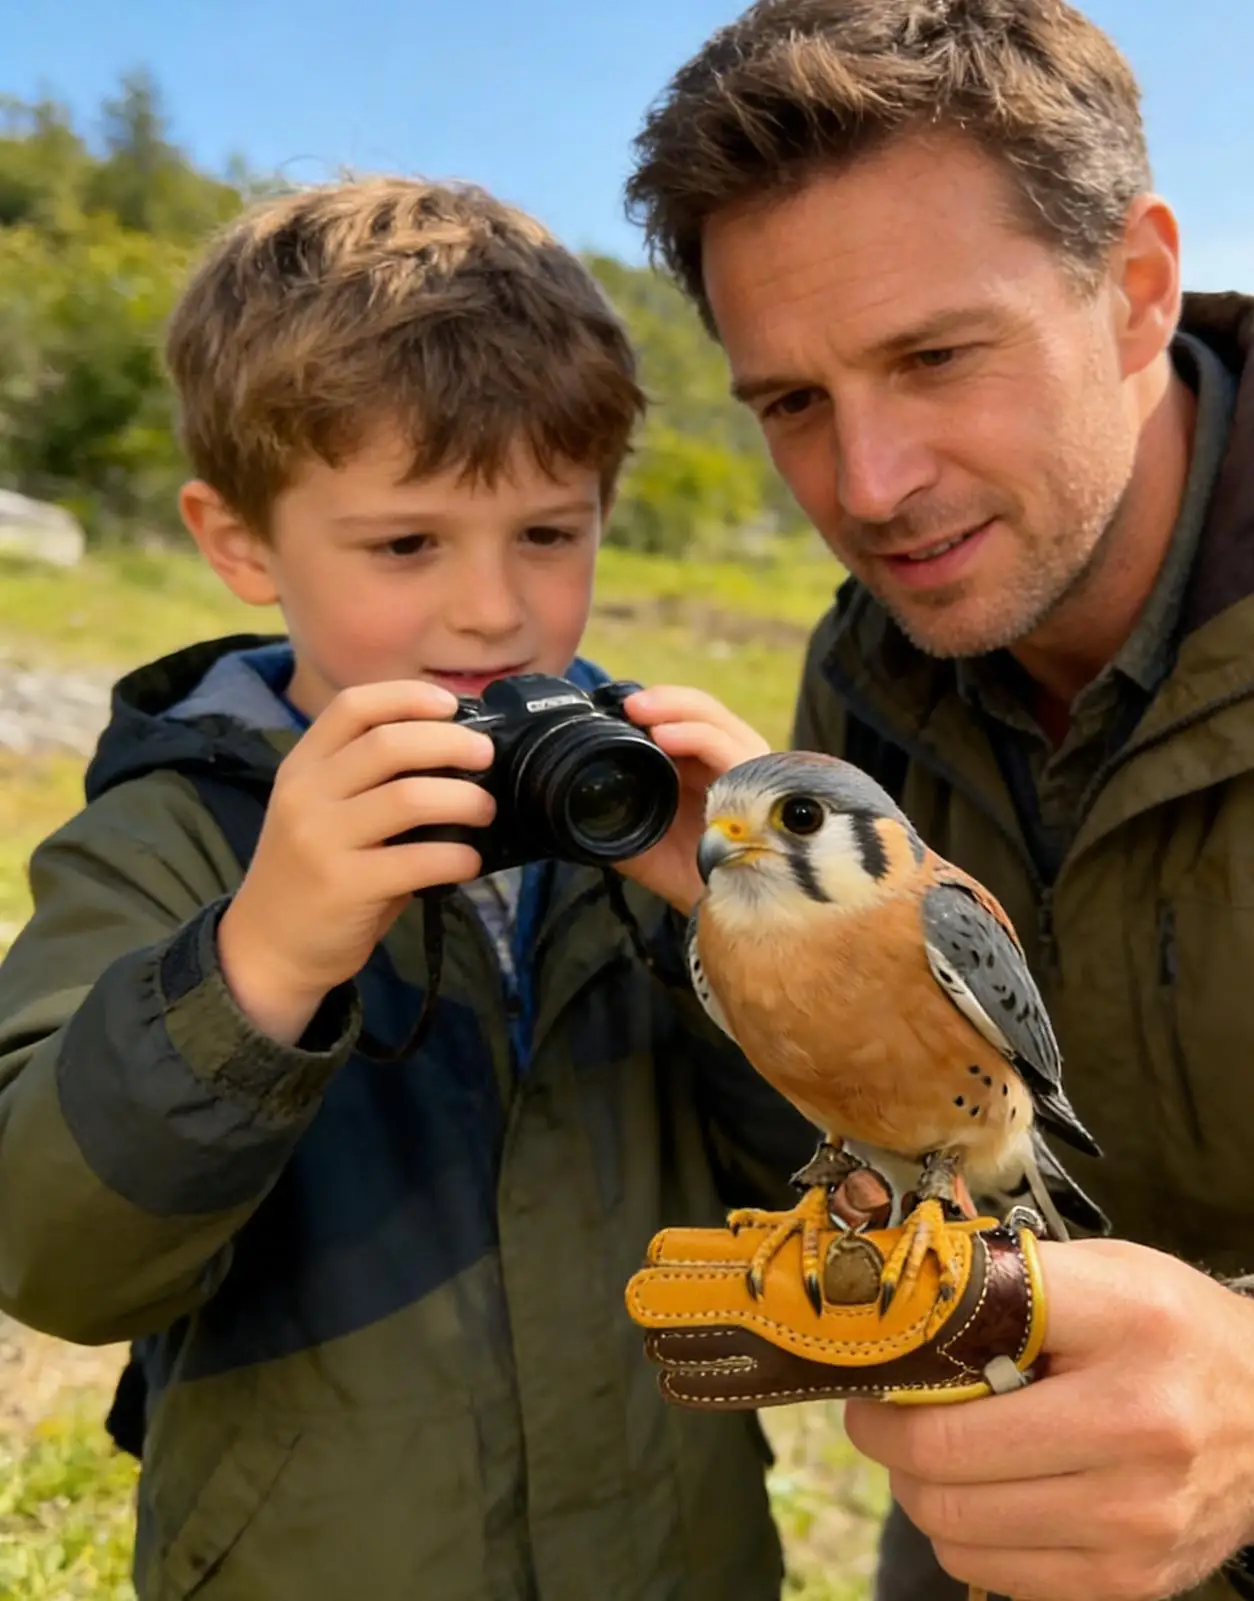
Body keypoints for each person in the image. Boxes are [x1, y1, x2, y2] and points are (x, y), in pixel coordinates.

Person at [623, 2, 1254, 1597]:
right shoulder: (872, 668)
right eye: (792, 402)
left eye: (936, 357)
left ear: (1137, 289)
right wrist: (760, 968)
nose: (869, 485)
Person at [0, 177, 812, 1601]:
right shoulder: (171, 835)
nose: (493, 609)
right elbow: (50, 1258)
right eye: (405, 543)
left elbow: (811, 1186)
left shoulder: (647, 812)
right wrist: (256, 968)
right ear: (238, 540)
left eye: (549, 534)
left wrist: (777, 927)